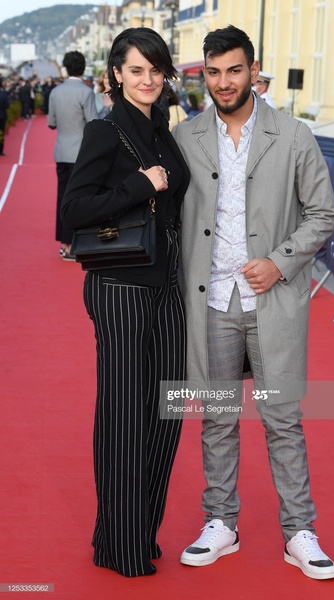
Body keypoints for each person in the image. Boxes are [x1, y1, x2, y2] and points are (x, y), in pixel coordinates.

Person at [172, 25, 334, 580]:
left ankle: (299, 532)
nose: (224, 82)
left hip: (272, 302)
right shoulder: (186, 137)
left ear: (253, 71)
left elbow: (323, 213)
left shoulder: (293, 135)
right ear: (205, 74)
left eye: (234, 70)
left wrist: (280, 260)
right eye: (214, 72)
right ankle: (221, 522)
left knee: (281, 418)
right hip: (213, 302)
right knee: (218, 417)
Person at [61, 27, 190, 578]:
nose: (148, 80)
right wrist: (140, 184)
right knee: (123, 419)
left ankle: (139, 529)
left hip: (169, 288)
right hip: (120, 290)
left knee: (167, 414)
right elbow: (72, 212)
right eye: (137, 70)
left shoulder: (163, 127)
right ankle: (120, 545)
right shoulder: (105, 130)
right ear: (116, 73)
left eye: (156, 70)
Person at [48, 51, 97, 260]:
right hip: (80, 154)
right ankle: (73, 244)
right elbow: (93, 124)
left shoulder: (55, 92)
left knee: (62, 197)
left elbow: (51, 123)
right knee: (79, 199)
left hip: (61, 151)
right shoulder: (86, 92)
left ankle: (64, 243)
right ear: (83, 68)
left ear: (65, 67)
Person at [0, 77, 10, 156]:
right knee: (1, 133)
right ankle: (0, 150)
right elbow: (7, 105)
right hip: (2, 116)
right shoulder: (4, 94)